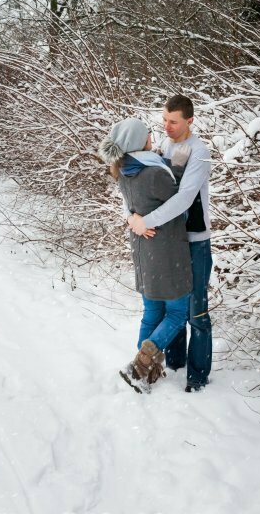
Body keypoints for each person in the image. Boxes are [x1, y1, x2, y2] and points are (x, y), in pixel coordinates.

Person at [99, 117, 192, 393]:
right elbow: (180, 205)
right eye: (148, 134)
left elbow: (137, 205)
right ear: (140, 140)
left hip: (143, 249)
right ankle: (140, 367)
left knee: (151, 312)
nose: (153, 137)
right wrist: (177, 166)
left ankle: (144, 373)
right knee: (177, 312)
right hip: (167, 250)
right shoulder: (154, 173)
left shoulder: (124, 169)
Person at [127, 95, 212, 392]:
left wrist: (145, 221)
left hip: (194, 241)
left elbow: (184, 198)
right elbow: (142, 191)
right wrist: (132, 216)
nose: (167, 126)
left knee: (196, 312)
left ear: (189, 121)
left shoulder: (198, 152)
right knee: (170, 304)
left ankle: (197, 378)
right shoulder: (165, 146)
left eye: (173, 121)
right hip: (169, 243)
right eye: (164, 120)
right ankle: (175, 365)